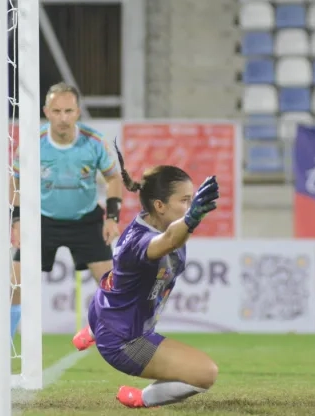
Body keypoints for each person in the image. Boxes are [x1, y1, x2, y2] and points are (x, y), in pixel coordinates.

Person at [70, 142, 220, 408]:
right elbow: (170, 241)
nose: (192, 204)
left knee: (125, 292)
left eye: (192, 198)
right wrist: (193, 217)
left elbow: (172, 238)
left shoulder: (158, 223)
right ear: (160, 205)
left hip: (107, 309)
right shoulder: (141, 242)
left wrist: (188, 217)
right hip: (126, 341)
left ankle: (92, 329)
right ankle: (141, 398)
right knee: (205, 374)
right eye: (185, 201)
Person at [10, 82, 123, 338]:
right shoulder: (32, 143)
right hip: (43, 220)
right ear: (46, 111)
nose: (63, 118)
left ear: (78, 112)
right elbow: (15, 179)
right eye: (57, 111)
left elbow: (114, 179)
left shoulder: (94, 142)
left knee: (112, 286)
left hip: (85, 220)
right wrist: (17, 218)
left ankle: (119, 341)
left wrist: (112, 217)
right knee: (14, 285)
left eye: (69, 111)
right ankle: (4, 344)